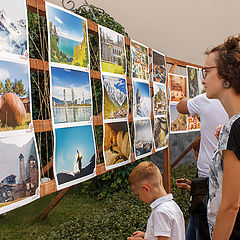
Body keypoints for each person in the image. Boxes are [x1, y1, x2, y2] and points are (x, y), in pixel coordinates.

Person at [175, 90, 228, 239]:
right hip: (217, 179)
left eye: (207, 73)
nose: (204, 81)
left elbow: (180, 106)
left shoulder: (205, 100)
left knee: (201, 227)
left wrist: (186, 98)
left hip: (207, 179)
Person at [202, 35, 240, 239]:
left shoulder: (234, 127)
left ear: (228, 76)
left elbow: (231, 206)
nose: (203, 79)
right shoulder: (232, 126)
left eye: (207, 72)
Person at [127, 161, 185, 240]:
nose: (140, 198)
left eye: (138, 194)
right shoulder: (172, 205)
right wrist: (147, 235)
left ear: (146, 188)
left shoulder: (160, 212)